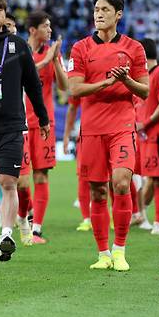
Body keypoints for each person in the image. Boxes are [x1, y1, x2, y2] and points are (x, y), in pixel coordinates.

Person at [68, 0, 148, 271]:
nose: (98, 14)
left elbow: (146, 90)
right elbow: (73, 89)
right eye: (96, 9)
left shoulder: (134, 48)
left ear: (118, 15)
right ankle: (102, 254)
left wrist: (125, 80)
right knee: (98, 192)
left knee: (122, 183)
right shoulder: (79, 48)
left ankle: (120, 250)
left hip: (122, 127)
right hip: (91, 130)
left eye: (104, 9)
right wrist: (103, 84)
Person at [0, 0, 50, 262]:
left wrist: (43, 118)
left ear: (5, 15)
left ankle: (6, 233)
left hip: (12, 125)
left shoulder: (18, 45)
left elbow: (33, 84)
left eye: (0, 10)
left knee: (8, 182)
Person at [24, 11, 68, 243]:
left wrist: (55, 59)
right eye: (46, 26)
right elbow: (24, 76)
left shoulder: (52, 54)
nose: (50, 30)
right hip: (20, 123)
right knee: (20, 179)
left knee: (40, 175)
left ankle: (36, 229)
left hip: (44, 124)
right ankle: (26, 220)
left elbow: (64, 86)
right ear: (33, 30)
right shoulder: (19, 50)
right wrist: (45, 59)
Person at [134, 38, 159, 236]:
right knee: (134, 177)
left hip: (155, 136)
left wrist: (145, 123)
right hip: (139, 137)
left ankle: (158, 223)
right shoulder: (140, 78)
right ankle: (140, 215)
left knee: (158, 180)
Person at [63, 94, 92, 231]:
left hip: (113, 133)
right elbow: (72, 108)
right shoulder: (80, 79)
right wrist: (67, 135)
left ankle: (113, 217)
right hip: (86, 135)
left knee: (112, 178)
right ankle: (87, 219)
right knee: (83, 177)